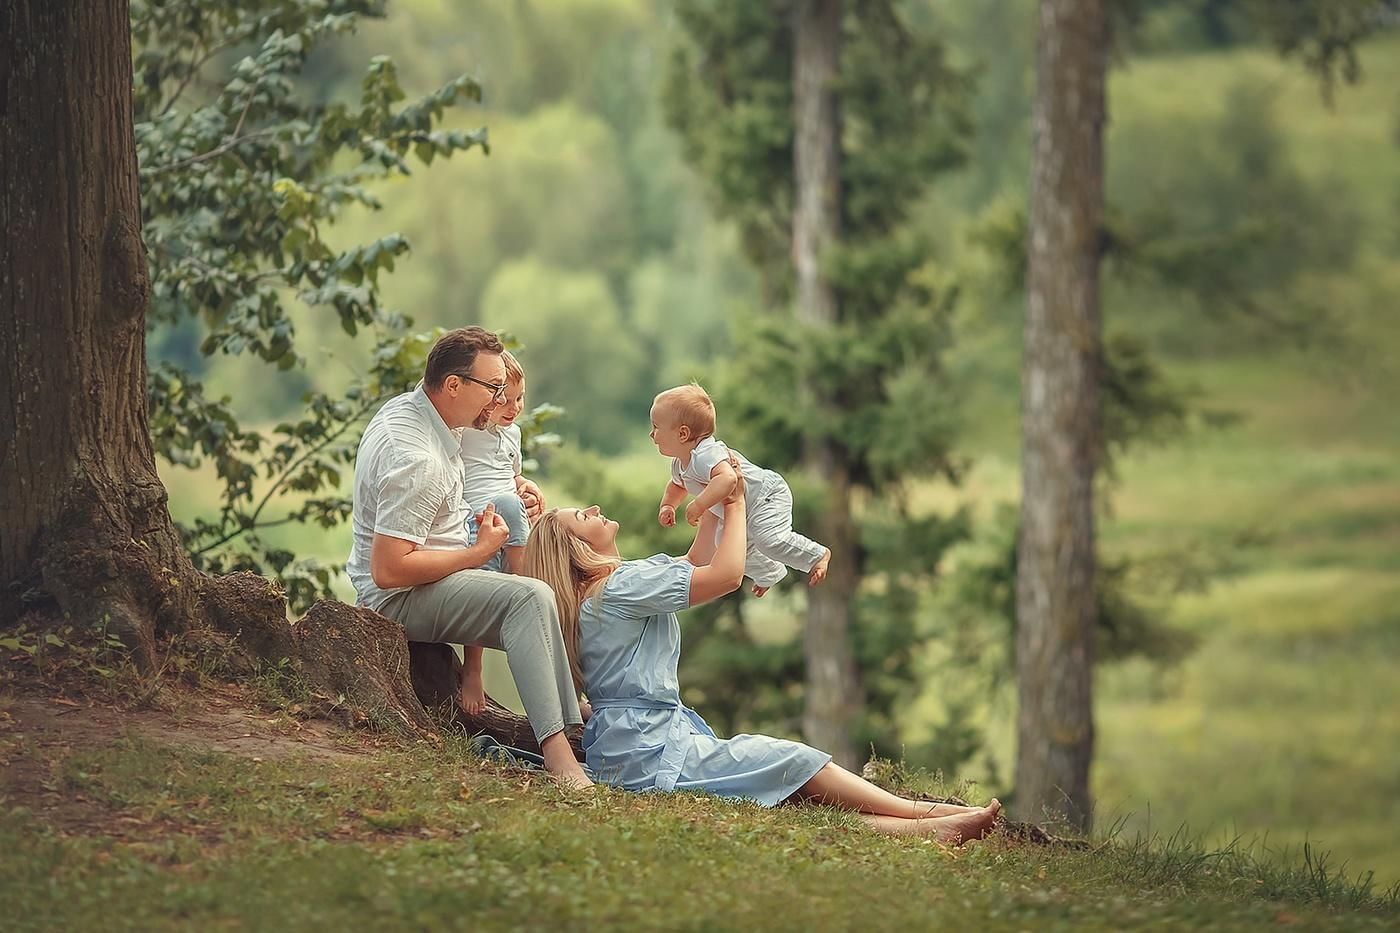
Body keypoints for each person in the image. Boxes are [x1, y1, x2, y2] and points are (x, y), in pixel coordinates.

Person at [523, 463, 1001, 841]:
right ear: (575, 549)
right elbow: (726, 574)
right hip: (648, 748)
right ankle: (927, 812)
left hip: (629, 749)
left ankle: (927, 830)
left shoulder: (608, 591)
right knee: (786, 760)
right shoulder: (622, 586)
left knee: (778, 797)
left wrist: (711, 504)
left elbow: (697, 562)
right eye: (581, 517)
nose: (593, 507)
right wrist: (735, 505)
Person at [345, 326, 590, 788]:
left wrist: (516, 491)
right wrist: (478, 552)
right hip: (398, 598)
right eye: (493, 389)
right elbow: (388, 569)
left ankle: (579, 725)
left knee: (540, 597)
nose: (499, 401)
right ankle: (560, 754)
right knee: (529, 598)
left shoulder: (420, 412)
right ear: (454, 385)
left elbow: (474, 483)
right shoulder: (419, 458)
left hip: (439, 571)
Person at [651, 383, 830, 598]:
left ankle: (817, 555)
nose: (652, 434)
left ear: (682, 433)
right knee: (730, 550)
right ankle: (769, 573)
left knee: (768, 539)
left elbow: (727, 479)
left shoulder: (706, 454)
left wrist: (699, 505)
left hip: (766, 496)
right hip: (740, 512)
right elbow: (677, 485)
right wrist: (668, 505)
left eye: (656, 427)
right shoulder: (680, 463)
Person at [456, 350, 532, 715]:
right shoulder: (469, 431)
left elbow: (511, 476)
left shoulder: (513, 434)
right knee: (480, 586)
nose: (514, 408)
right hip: (477, 520)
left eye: (520, 399)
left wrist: (529, 484)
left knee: (512, 501)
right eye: (505, 399)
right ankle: (474, 670)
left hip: (511, 518)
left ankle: (521, 576)